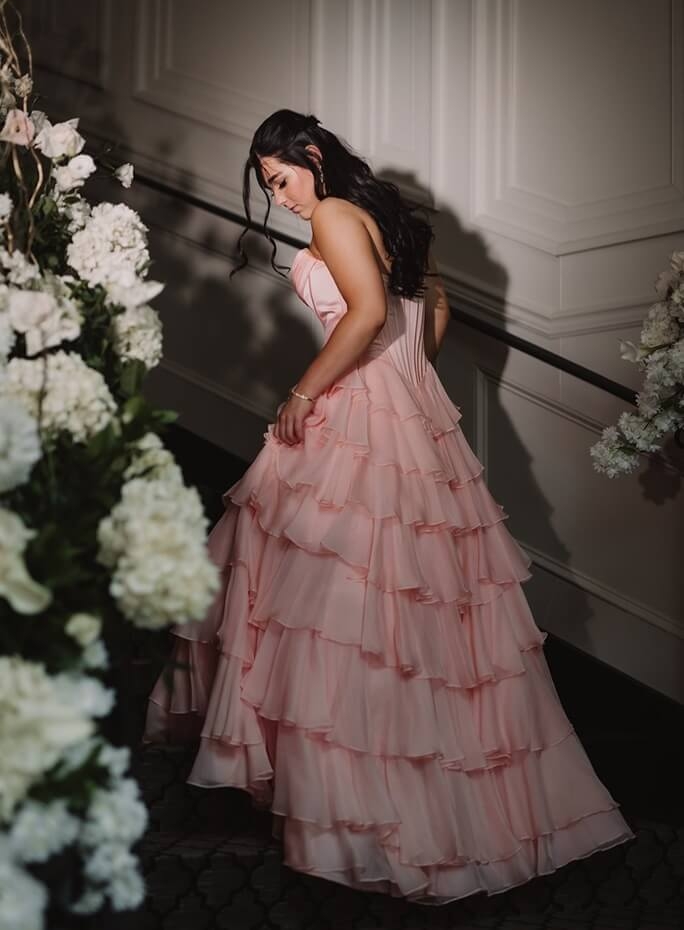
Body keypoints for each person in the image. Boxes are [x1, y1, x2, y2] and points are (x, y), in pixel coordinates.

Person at [143, 109, 635, 905]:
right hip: (414, 422)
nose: (283, 199)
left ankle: (351, 818)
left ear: (311, 155)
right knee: (411, 630)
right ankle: (421, 816)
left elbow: (367, 317)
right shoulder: (395, 225)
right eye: (272, 189)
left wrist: (303, 392)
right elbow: (424, 327)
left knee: (341, 620)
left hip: (360, 420)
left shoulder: (337, 214)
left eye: (281, 179)